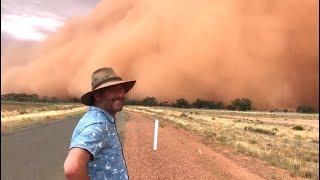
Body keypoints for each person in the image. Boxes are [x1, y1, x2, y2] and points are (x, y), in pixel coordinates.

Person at [64, 67, 136, 180]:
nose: (120, 95)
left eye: (121, 89)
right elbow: (72, 168)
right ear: (97, 96)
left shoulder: (100, 118)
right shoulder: (98, 124)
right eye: (113, 90)